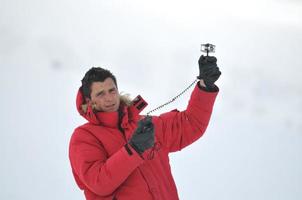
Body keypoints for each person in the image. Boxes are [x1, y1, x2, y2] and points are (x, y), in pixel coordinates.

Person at [69, 55, 221, 200]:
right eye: (100, 94)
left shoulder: (145, 125)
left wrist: (205, 86)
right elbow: (99, 183)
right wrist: (133, 150)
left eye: (112, 90)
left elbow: (190, 124)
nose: (109, 98)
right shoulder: (84, 137)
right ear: (89, 100)